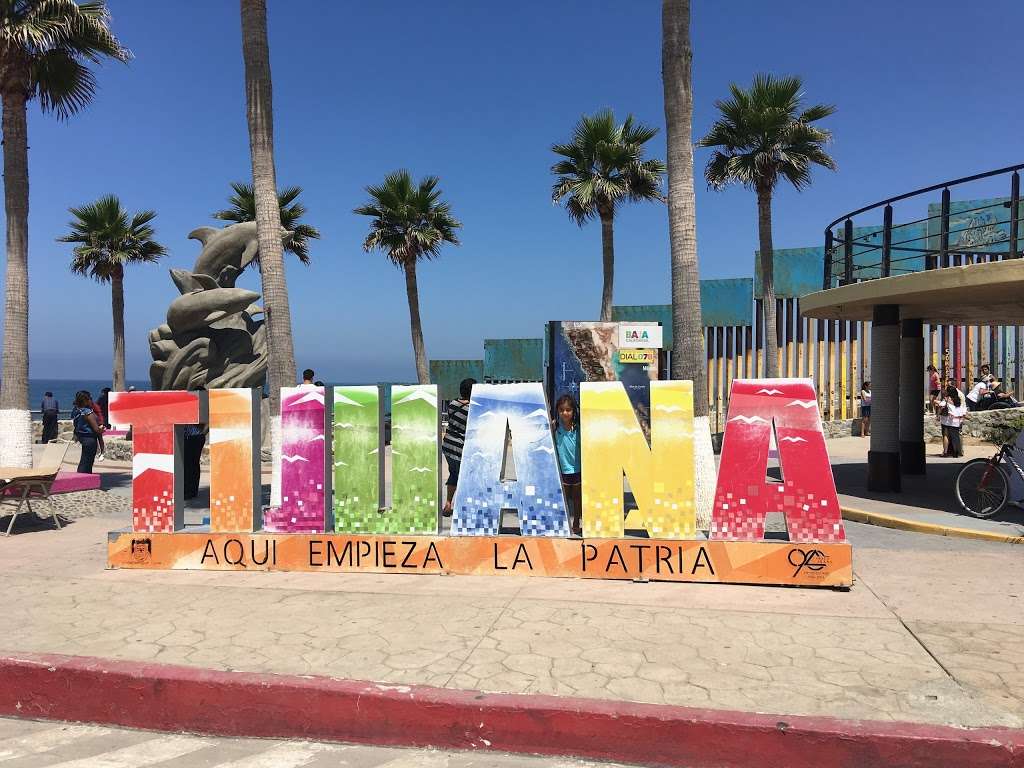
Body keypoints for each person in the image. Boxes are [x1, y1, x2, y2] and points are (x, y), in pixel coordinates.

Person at [441, 377, 475, 517]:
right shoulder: (471, 409)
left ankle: (448, 504)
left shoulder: (453, 404)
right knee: (464, 476)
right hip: (460, 446)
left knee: (454, 473)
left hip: (448, 444)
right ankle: (459, 505)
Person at [553, 394, 582, 536]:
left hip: (577, 470)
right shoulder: (555, 428)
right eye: (561, 410)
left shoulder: (578, 429)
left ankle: (576, 521)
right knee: (564, 499)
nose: (565, 413)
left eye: (568, 410)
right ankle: (564, 523)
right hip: (563, 470)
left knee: (577, 499)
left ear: (573, 411)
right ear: (558, 411)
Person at [182, 387, 207, 500]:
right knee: (192, 465)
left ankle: (189, 490)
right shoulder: (200, 407)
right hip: (195, 437)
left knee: (189, 465)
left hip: (193, 437)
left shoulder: (198, 408)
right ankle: (191, 489)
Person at [71, 391, 103, 473]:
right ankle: (83, 480)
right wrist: (102, 429)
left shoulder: (77, 411)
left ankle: (82, 479)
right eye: (89, 398)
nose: (91, 401)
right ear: (85, 400)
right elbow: (96, 429)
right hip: (90, 438)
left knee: (84, 460)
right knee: (87, 462)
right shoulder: (88, 412)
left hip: (82, 437)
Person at [937, 384, 967, 458]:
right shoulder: (958, 399)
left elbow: (941, 406)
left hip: (947, 420)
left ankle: (945, 452)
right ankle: (956, 452)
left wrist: (938, 414)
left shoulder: (946, 399)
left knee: (946, 435)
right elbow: (962, 409)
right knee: (955, 436)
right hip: (956, 420)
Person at [90, 394, 107, 461]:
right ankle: (96, 452)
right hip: (92, 424)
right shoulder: (87, 407)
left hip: (98, 424)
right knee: (94, 439)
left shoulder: (95, 405)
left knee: (100, 438)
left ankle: (102, 452)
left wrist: (101, 424)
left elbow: (100, 414)